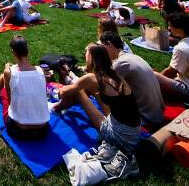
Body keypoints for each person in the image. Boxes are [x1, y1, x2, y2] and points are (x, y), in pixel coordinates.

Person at [53, 43, 141, 176]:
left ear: (92, 59)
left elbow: (67, 91)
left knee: (78, 92)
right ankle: (59, 106)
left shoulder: (92, 79)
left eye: (86, 54)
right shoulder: (114, 75)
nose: (84, 56)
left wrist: (58, 91)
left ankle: (55, 109)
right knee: (90, 89)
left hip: (119, 137)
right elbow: (90, 82)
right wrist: (70, 74)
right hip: (133, 133)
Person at [0, 35, 50, 139]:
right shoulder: (40, 71)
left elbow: (10, 100)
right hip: (43, 129)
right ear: (27, 51)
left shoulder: (9, 72)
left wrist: (6, 69)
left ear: (13, 52)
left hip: (18, 130)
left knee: (4, 93)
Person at [99, 32, 164, 126]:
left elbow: (104, 87)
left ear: (109, 44)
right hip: (158, 113)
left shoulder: (121, 63)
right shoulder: (133, 57)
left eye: (102, 47)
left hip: (146, 118)